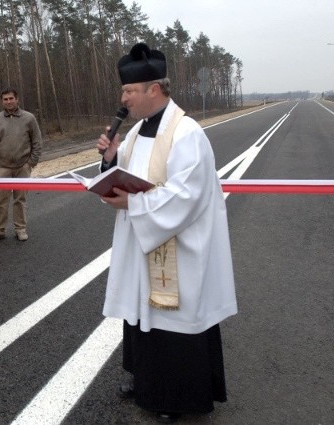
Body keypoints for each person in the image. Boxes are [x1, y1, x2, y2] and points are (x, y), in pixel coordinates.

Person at [96, 43, 237, 423]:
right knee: (143, 314)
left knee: (173, 319)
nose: (123, 99)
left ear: (153, 89)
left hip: (177, 247)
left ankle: (178, 398)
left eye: (129, 92)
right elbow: (124, 172)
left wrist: (136, 205)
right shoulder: (139, 129)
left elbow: (186, 196)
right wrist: (109, 159)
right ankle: (146, 381)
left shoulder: (186, 133)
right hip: (144, 240)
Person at [0, 88, 42, 242]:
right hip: (1, 167)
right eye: (5, 99)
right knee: (0, 201)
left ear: (17, 99)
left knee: (20, 200)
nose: (9, 101)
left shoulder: (29, 118)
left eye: (11, 98)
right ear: (1, 101)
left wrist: (31, 163)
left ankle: (20, 229)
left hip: (22, 166)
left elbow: (37, 142)